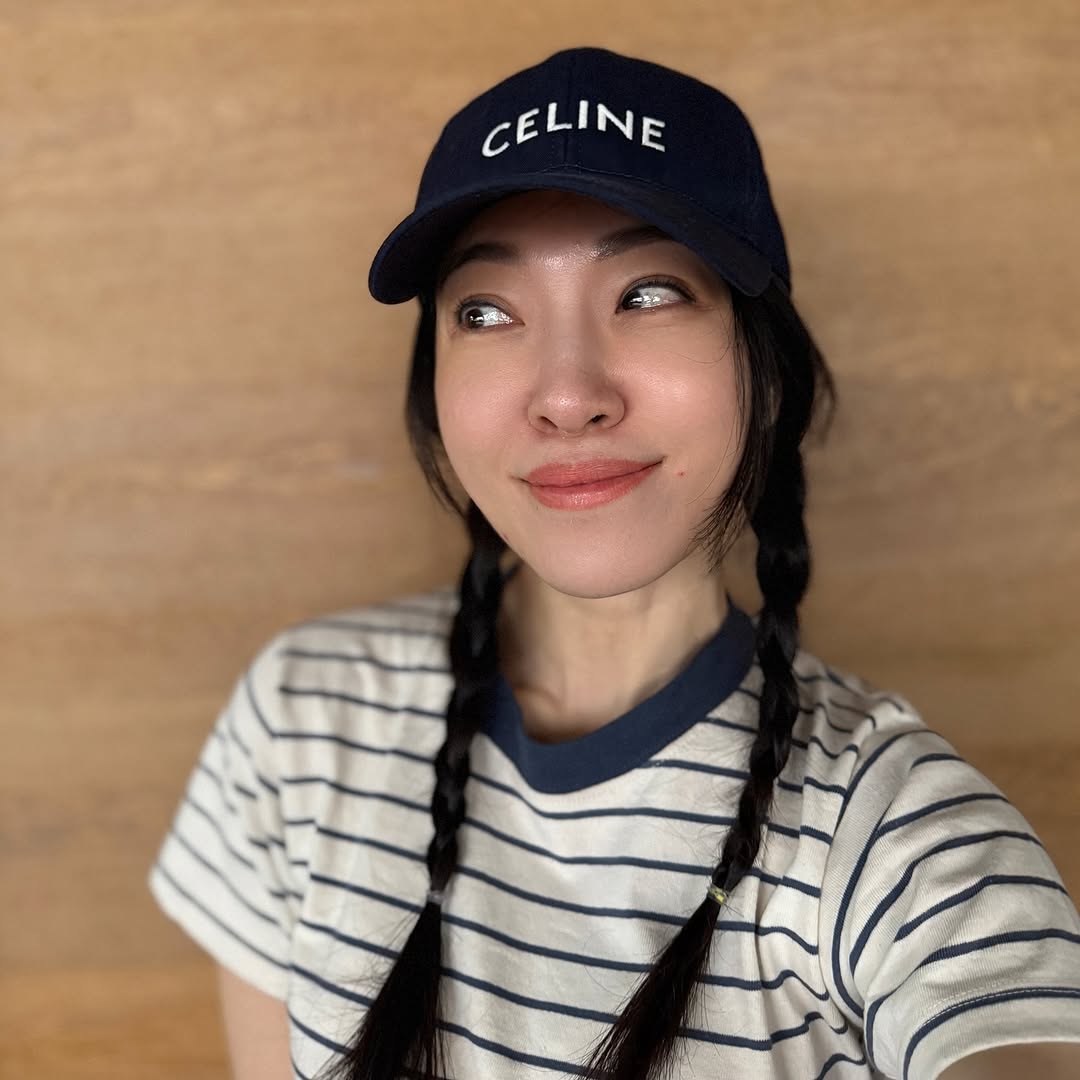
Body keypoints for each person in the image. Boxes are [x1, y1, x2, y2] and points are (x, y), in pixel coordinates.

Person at [149, 47, 1080, 1080]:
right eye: (486, 311)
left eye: (648, 293)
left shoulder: (898, 839)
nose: (566, 394)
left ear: (765, 367)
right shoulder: (304, 720)